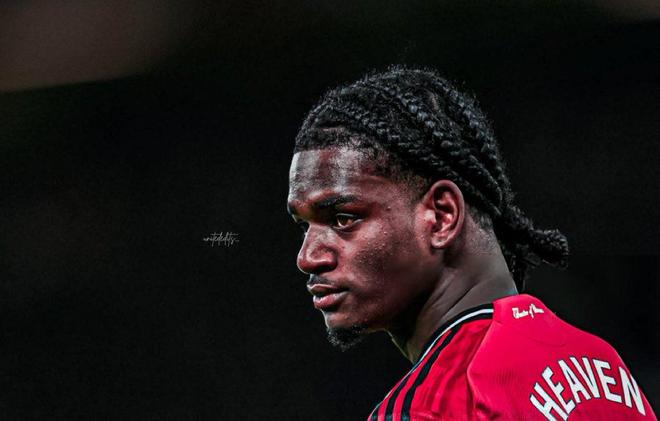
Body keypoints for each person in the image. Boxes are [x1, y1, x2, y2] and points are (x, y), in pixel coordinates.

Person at [286, 66, 656, 420]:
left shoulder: (431, 407)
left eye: (343, 218)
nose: (307, 257)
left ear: (441, 216)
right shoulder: (603, 369)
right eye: (304, 226)